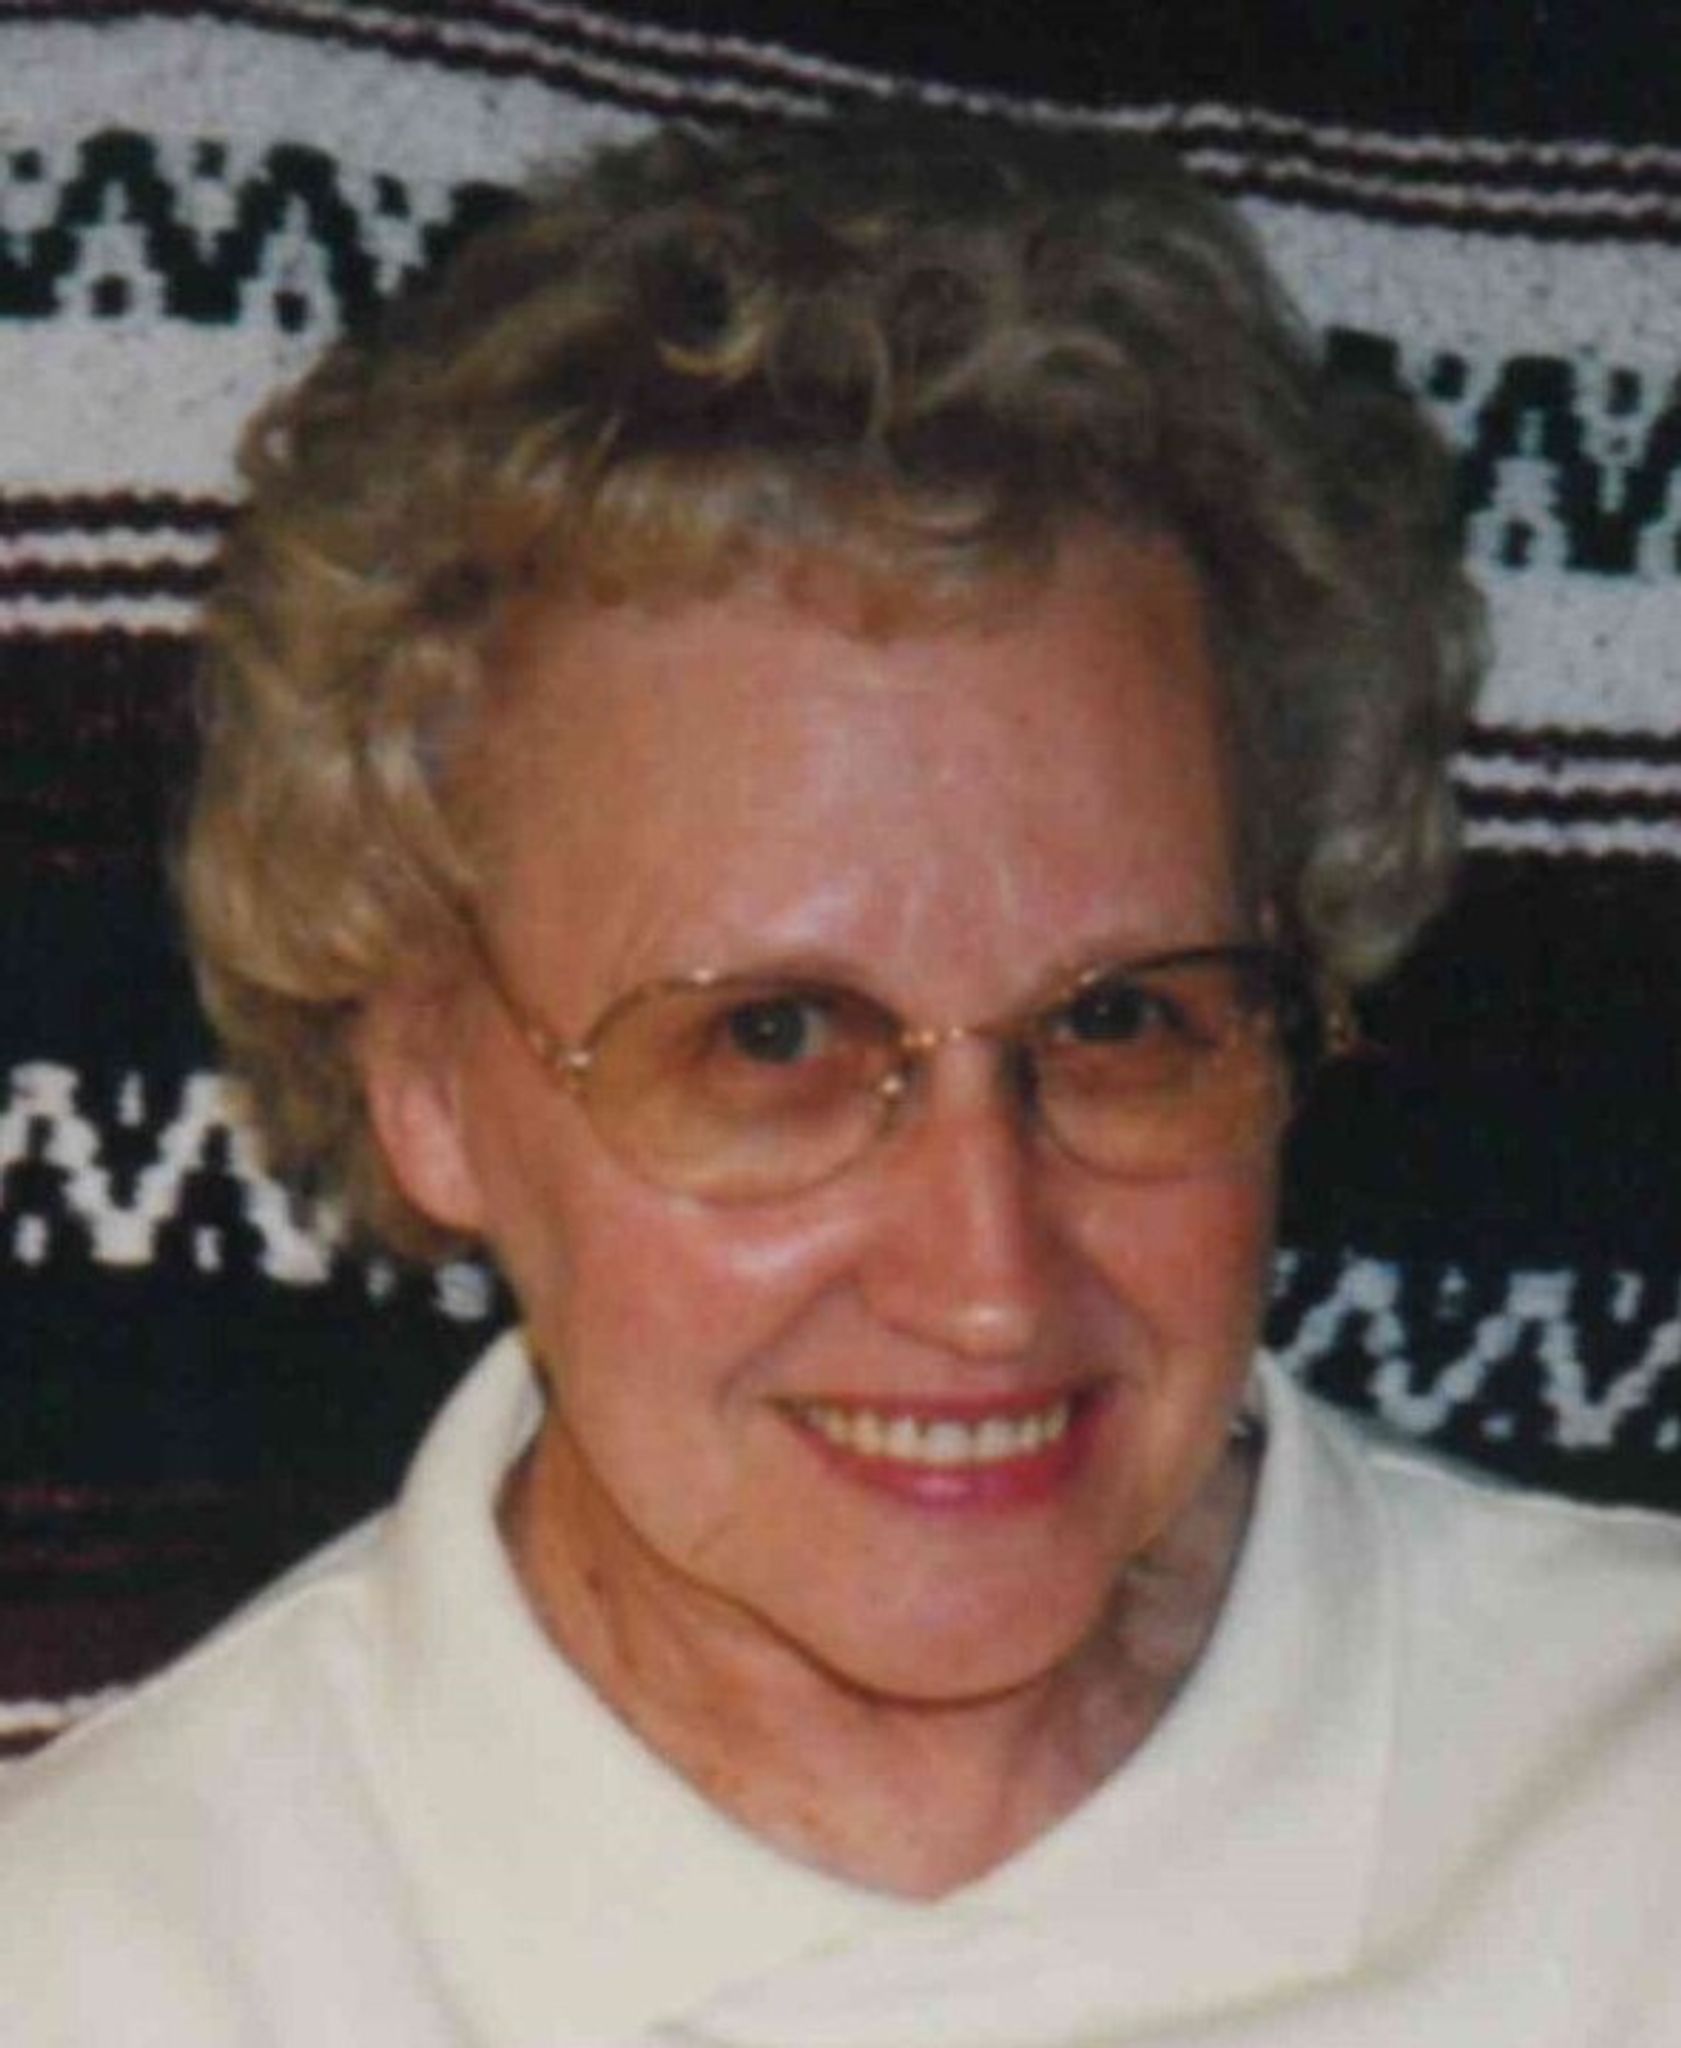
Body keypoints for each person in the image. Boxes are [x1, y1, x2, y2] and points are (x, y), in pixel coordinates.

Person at [2, 114, 1679, 2047]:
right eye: (771, 1039)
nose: (987, 1281)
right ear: (430, 1084)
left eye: (1121, 1022)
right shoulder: (109, 1972)